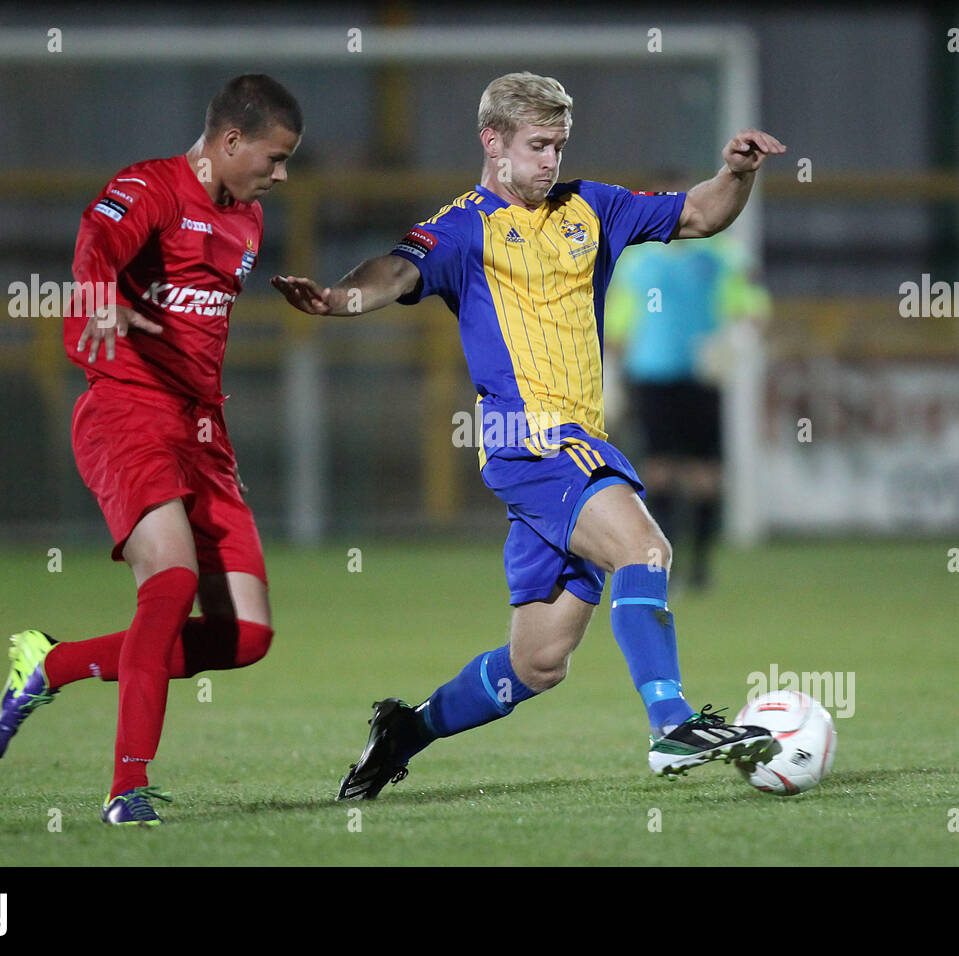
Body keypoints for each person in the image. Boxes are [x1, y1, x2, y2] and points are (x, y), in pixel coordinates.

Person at [274, 72, 785, 800]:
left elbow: (700, 215)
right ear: (493, 142)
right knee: (646, 547)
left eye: (558, 145)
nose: (550, 160)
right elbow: (395, 268)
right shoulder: (460, 227)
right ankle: (671, 724)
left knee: (539, 663)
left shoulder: (592, 205)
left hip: (569, 445)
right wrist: (338, 298)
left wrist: (735, 174)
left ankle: (404, 731)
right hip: (532, 439)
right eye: (537, 145)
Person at [0, 74, 303, 826]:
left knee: (247, 635)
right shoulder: (149, 187)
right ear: (231, 142)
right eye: (276, 156)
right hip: (127, 410)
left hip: (203, 431)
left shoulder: (248, 222)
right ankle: (126, 789)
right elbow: (98, 240)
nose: (283, 174)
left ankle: (52, 663)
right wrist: (98, 292)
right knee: (170, 584)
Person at [605, 232, 772, 590]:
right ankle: (665, 562)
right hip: (651, 375)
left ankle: (699, 567)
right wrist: (612, 375)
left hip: (701, 376)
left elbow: (753, 307)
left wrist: (736, 342)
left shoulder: (720, 255)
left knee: (704, 473)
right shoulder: (638, 259)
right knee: (659, 469)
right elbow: (619, 319)